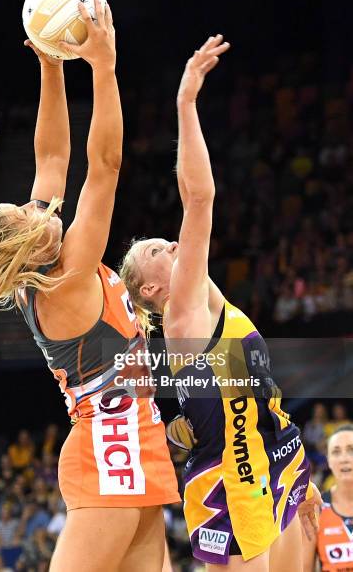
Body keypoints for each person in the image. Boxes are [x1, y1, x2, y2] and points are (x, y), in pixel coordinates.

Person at [0, 0, 179, 572]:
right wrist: (104, 66)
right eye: (25, 214)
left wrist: (50, 64)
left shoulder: (41, 254)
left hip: (136, 435)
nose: (37, 204)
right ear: (24, 251)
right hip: (108, 446)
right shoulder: (65, 276)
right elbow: (105, 166)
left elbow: (50, 154)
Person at [119, 34, 321, 571]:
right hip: (232, 483)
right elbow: (200, 196)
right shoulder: (184, 313)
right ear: (151, 292)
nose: (170, 242)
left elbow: (258, 397)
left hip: (266, 459)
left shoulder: (207, 303)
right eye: (157, 251)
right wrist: (186, 103)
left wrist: (298, 469)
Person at [303, 425, 353, 572]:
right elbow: (305, 568)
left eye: (351, 450)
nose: (344, 458)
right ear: (329, 460)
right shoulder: (316, 508)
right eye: (336, 452)